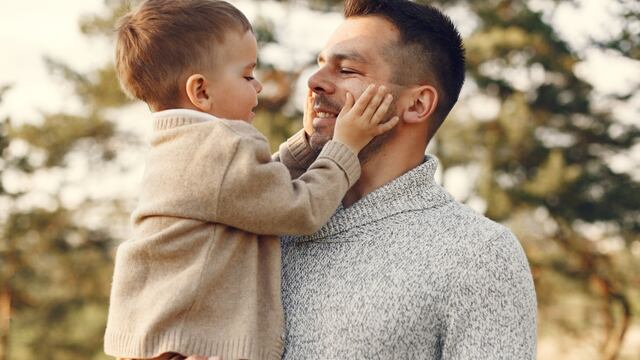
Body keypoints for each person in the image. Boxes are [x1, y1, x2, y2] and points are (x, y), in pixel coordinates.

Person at [102, 0, 399, 359]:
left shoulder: (180, 144)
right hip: (189, 347)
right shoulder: (223, 145)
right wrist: (344, 147)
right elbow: (299, 209)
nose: (257, 86)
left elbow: (253, 191)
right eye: (246, 76)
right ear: (201, 92)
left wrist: (307, 146)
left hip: (157, 341)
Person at [277, 0, 538, 359]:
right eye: (321, 65)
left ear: (417, 105)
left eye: (347, 70)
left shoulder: (478, 254)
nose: (314, 82)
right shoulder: (269, 221)